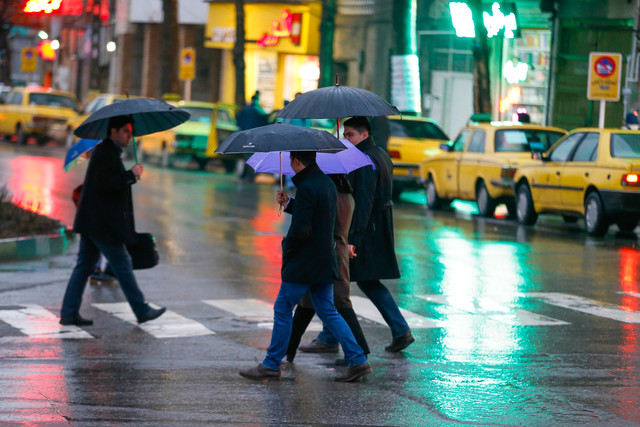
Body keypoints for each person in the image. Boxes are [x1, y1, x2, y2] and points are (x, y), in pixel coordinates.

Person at [239, 151, 371, 382]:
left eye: (291, 160)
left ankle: (271, 364)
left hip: (305, 261)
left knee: (282, 308)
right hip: (323, 258)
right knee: (328, 310)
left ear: (297, 161)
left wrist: (288, 247)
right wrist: (290, 204)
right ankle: (358, 359)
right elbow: (316, 214)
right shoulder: (326, 183)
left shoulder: (308, 186)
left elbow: (302, 228)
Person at [59, 115, 166, 326]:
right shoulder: (105, 153)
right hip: (102, 223)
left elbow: (108, 185)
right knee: (122, 264)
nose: (130, 135)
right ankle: (141, 309)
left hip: (94, 221)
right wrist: (130, 175)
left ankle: (69, 313)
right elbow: (105, 186)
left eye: (130, 131)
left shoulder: (109, 152)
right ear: (113, 132)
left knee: (84, 266)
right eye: (125, 131)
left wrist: (129, 176)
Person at [343, 116, 414, 352]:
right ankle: (400, 329)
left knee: (340, 283)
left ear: (364, 134)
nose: (347, 139)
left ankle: (331, 337)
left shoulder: (364, 160)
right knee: (365, 280)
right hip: (378, 225)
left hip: (368, 228)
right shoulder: (380, 154)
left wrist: (354, 238)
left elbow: (364, 202)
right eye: (345, 135)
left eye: (350, 135)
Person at [286, 173, 370, 363]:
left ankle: (360, 353)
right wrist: (290, 204)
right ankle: (287, 351)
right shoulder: (345, 194)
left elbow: (318, 220)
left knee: (340, 305)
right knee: (306, 306)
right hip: (333, 254)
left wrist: (293, 206)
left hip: (329, 255)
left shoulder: (332, 196)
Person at [236, 91, 269, 181]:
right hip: (256, 137)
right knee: (253, 156)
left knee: (246, 155)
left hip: (245, 136)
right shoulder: (260, 111)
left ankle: (246, 174)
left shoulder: (245, 110)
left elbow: (238, 120)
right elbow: (266, 123)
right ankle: (251, 174)